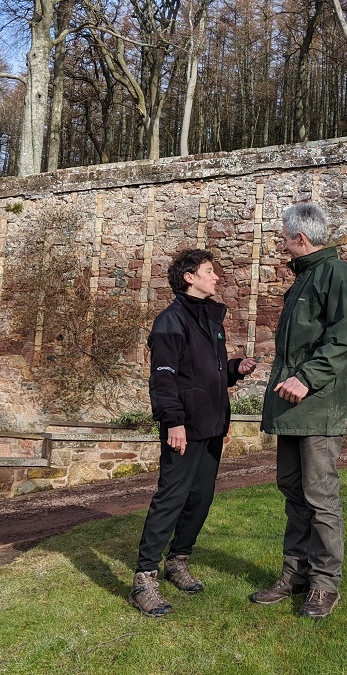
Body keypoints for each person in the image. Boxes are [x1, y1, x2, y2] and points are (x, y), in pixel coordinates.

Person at [250, 203, 347, 619]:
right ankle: (295, 574)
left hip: (319, 406)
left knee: (320, 496)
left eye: (284, 238)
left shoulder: (337, 274)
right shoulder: (305, 279)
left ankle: (324, 584)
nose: (282, 244)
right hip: (292, 409)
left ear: (300, 238)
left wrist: (306, 378)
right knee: (293, 492)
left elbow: (343, 338)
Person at [129, 248, 257, 617]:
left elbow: (202, 372)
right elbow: (164, 377)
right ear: (189, 277)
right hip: (182, 427)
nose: (216, 277)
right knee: (171, 498)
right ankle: (145, 578)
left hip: (211, 426)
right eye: (209, 271)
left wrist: (234, 369)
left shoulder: (210, 320)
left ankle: (178, 562)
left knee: (200, 497)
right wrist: (173, 422)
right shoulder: (170, 321)